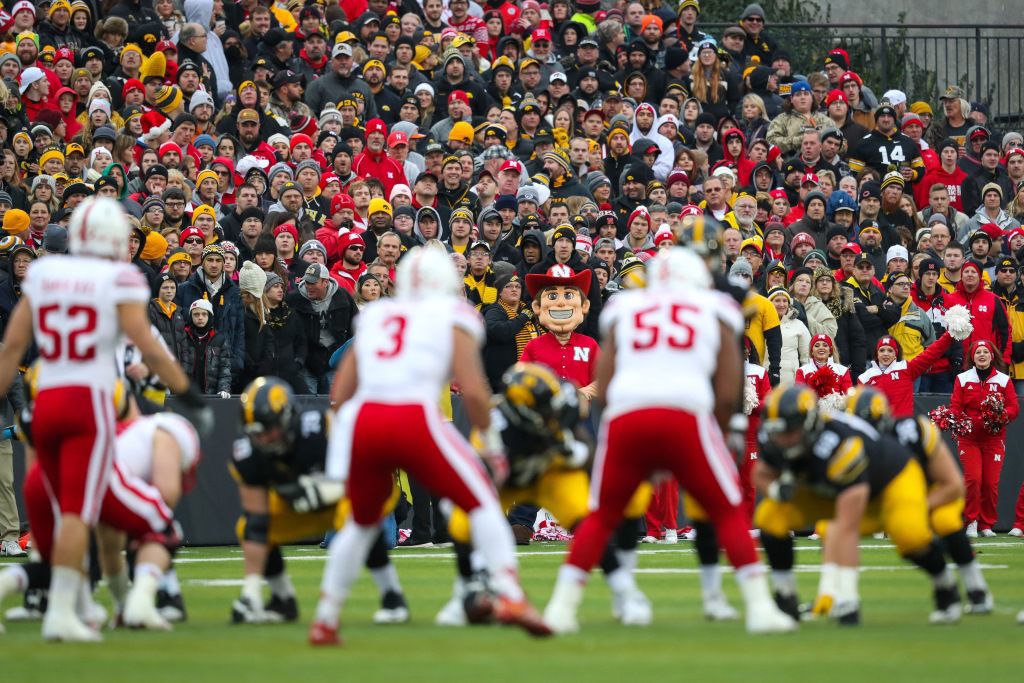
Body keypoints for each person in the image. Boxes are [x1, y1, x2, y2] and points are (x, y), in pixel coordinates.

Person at [543, 248, 796, 635]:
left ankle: (561, 607)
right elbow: (729, 388)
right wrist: (723, 428)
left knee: (603, 514)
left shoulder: (624, 309)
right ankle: (760, 607)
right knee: (726, 511)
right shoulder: (716, 309)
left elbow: (606, 378)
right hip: (684, 411)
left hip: (628, 414)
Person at [311, 247, 551, 646]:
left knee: (358, 522)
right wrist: (490, 442)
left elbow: (343, 390)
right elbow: (473, 391)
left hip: (365, 422)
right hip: (414, 418)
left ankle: (326, 617)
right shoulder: (454, 315)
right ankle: (510, 596)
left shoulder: (376, 315)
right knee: (483, 503)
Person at [0, 196, 211, 642]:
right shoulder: (120, 278)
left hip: (45, 398)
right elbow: (149, 346)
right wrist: (189, 394)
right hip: (89, 400)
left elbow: (12, 349)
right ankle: (60, 611)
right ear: (118, 239)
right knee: (78, 509)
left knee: (54, 503)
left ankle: (67, 603)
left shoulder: (45, 273)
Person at [756, 385, 973, 625]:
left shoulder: (841, 445)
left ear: (808, 423)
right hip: (834, 488)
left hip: (892, 480)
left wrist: (848, 602)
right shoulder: (773, 437)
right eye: (778, 432)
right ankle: (785, 597)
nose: (783, 439)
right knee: (770, 516)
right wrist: (777, 491)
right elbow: (762, 473)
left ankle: (945, 585)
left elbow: (847, 527)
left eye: (790, 431)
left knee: (910, 534)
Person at [230, 377, 408, 625]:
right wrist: (251, 592)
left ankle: (392, 596)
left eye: (267, 429)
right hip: (306, 504)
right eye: (255, 432)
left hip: (357, 490)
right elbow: (257, 517)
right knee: (248, 527)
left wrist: (322, 490)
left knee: (359, 516)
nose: (263, 439)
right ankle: (282, 600)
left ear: (287, 416)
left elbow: (361, 473)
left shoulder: (320, 429)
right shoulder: (247, 454)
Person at [845, 387, 993, 614]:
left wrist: (915, 508)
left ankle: (976, 587)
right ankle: (944, 585)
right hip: (891, 500)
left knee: (945, 521)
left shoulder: (912, 431)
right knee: (835, 528)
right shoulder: (848, 445)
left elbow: (953, 485)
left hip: (934, 492)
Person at [951, 340, 1019, 538]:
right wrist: (959, 421)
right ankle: (970, 521)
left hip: (994, 439)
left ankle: (986, 524)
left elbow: (1014, 407)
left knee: (990, 483)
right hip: (969, 439)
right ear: (972, 357)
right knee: (973, 479)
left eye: (985, 352)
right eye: (978, 352)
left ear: (992, 356)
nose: (981, 355)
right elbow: (955, 407)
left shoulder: (1003, 380)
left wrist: (1001, 415)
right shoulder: (962, 379)